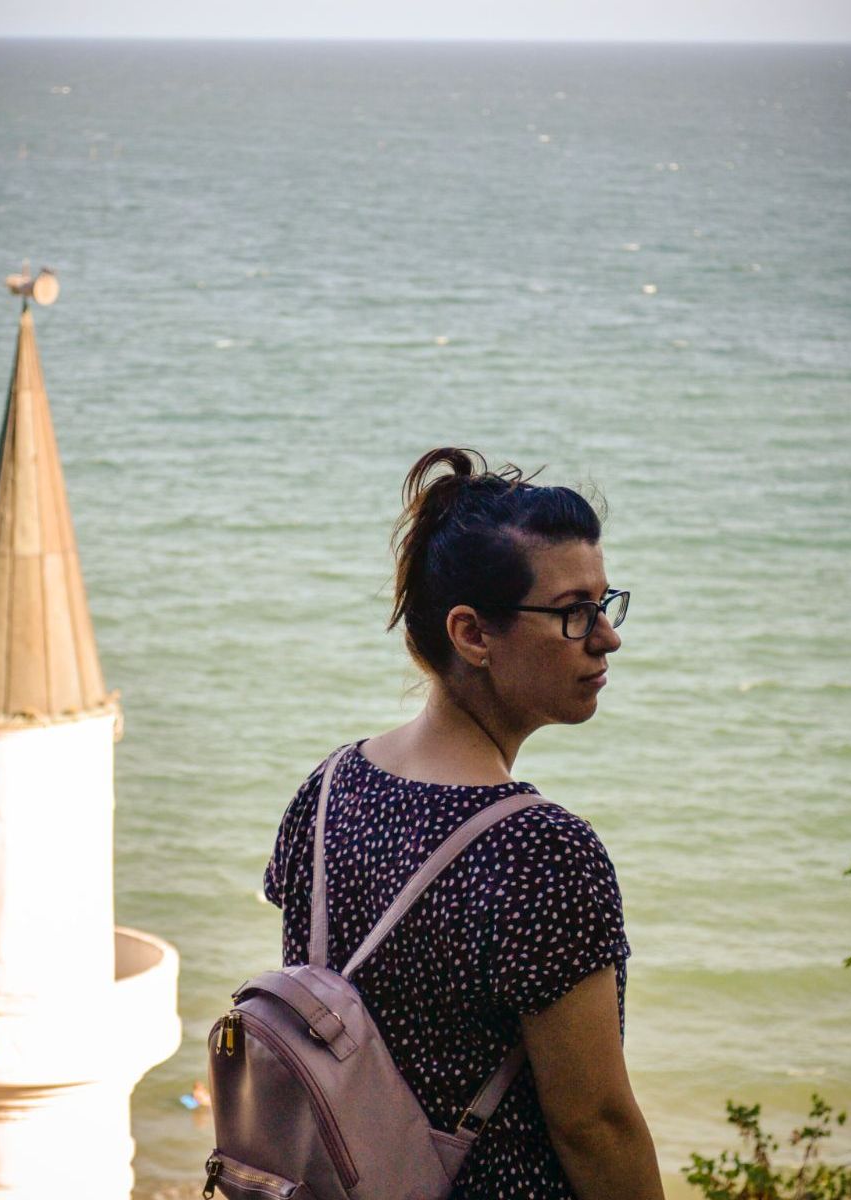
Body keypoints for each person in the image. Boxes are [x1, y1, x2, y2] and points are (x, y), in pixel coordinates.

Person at [264, 447, 664, 1200]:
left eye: (604, 604)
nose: (607, 637)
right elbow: (595, 1124)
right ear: (473, 635)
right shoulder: (543, 852)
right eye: (573, 613)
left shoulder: (329, 788)